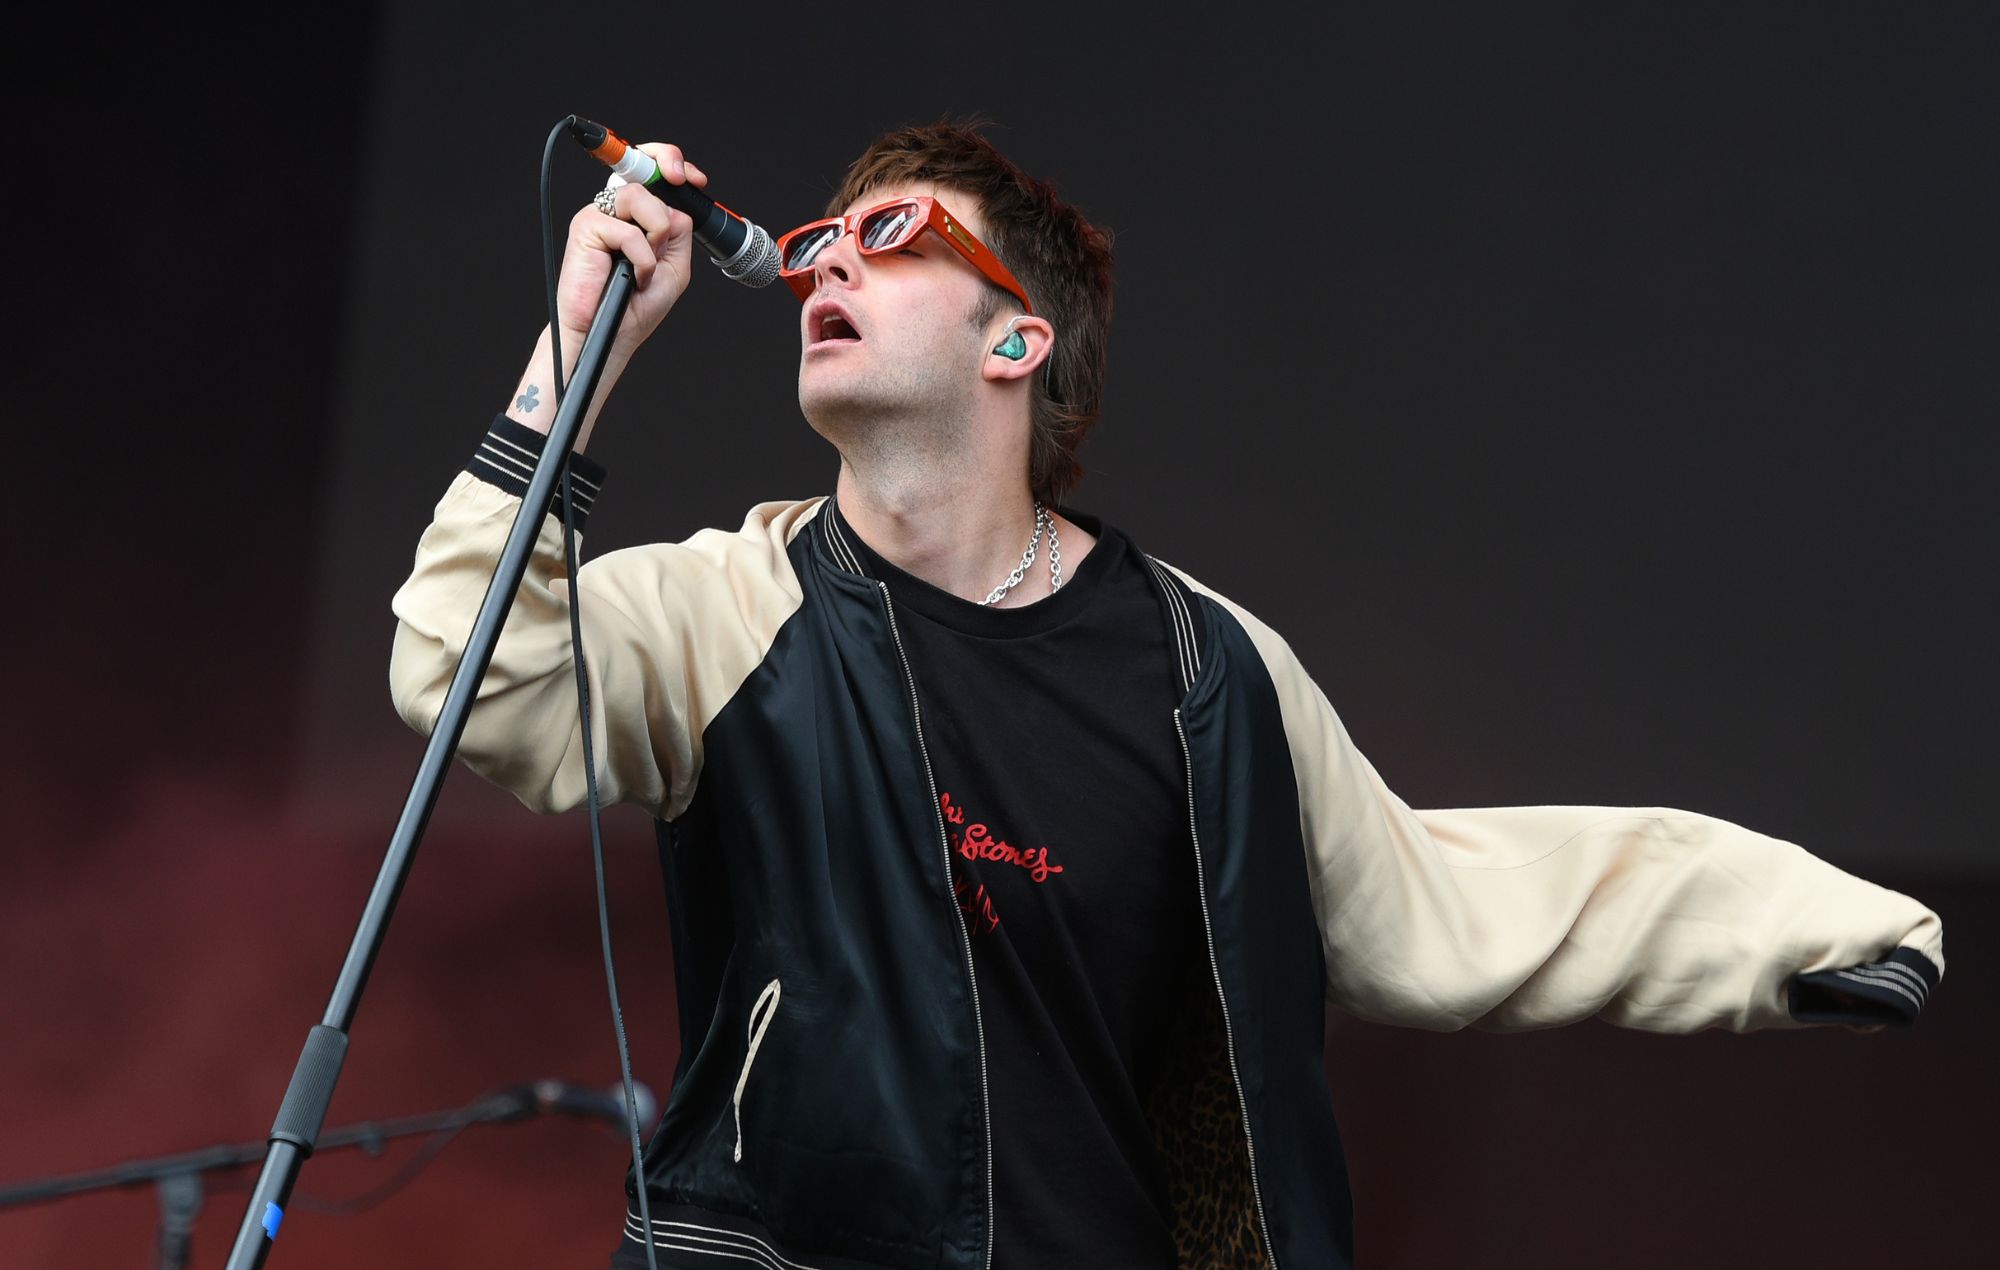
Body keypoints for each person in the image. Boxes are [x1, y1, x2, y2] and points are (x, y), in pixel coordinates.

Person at [388, 123, 1945, 1270]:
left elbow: (1449, 901)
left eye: (895, 231)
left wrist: (1810, 928)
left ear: (1019, 339)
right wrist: (574, 358)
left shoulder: (1208, 668)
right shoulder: (731, 607)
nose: (828, 258)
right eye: (814, 240)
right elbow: (465, 674)